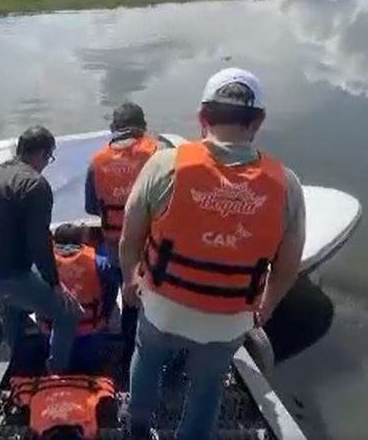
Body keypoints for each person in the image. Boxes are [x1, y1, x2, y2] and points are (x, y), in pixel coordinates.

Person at [119, 68, 306, 440]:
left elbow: (130, 238)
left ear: (202, 117)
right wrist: (264, 308)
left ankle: (137, 427)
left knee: (148, 357)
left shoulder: (164, 164)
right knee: (207, 387)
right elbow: (287, 268)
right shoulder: (286, 184)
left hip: (164, 307)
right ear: (258, 122)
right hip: (229, 319)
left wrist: (129, 281)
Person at [0, 125, 83, 374]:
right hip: (6, 272)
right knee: (69, 312)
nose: (46, 164)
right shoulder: (35, 185)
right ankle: (56, 372)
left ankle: (21, 368)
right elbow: (39, 242)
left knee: (11, 309)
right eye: (48, 158)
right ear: (41, 153)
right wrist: (54, 284)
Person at [85, 102, 162, 367]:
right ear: (142, 127)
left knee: (117, 296)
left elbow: (91, 207)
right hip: (149, 245)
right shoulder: (157, 153)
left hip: (114, 244)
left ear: (113, 129)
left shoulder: (97, 161)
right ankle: (140, 354)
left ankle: (113, 352)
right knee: (145, 301)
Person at [37, 223, 121, 372]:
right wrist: (104, 318)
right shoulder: (101, 263)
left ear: (55, 242)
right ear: (81, 241)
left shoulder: (42, 266)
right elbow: (111, 295)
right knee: (89, 368)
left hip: (51, 332)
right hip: (90, 331)